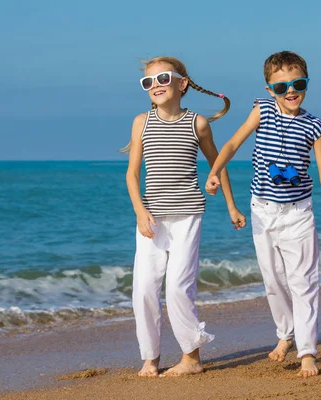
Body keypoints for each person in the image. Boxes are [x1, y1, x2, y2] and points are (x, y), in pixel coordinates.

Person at [205, 51, 321, 378]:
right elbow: (234, 143)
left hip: (299, 213)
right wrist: (215, 171)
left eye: (298, 84)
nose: (290, 91)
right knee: (273, 281)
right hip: (263, 211)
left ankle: (307, 351)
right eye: (281, 87)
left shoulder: (314, 126)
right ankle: (285, 335)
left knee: (303, 282)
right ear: (269, 89)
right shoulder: (263, 109)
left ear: (307, 84)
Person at [124, 56, 246, 377]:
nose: (155, 86)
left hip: (188, 214)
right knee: (144, 288)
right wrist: (139, 210)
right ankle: (150, 357)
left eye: (162, 79)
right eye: (148, 82)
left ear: (182, 84)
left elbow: (217, 165)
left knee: (179, 286)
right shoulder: (141, 122)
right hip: (151, 217)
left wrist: (231, 205)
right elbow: (132, 175)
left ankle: (191, 358)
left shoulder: (198, 123)